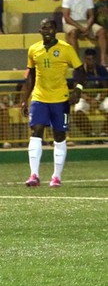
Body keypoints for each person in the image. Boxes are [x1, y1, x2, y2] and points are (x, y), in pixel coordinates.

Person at [20, 18, 85, 188]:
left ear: (55, 30)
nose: (46, 30)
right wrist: (24, 100)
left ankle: (56, 176)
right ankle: (34, 175)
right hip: (39, 98)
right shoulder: (34, 50)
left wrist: (77, 89)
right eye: (43, 28)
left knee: (59, 135)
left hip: (60, 99)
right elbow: (31, 77)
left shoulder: (66, 49)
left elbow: (80, 70)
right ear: (39, 31)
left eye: (49, 27)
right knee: (36, 130)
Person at [62, 0, 108, 67]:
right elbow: (66, 17)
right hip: (70, 22)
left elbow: (91, 16)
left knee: (101, 31)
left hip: (84, 22)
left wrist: (87, 27)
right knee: (73, 32)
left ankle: (103, 59)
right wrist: (81, 28)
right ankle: (76, 62)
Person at [71, 48, 108, 140]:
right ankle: (90, 134)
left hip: (99, 96)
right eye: (88, 59)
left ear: (95, 59)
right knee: (77, 113)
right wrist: (89, 99)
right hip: (84, 96)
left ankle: (104, 134)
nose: (90, 62)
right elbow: (77, 88)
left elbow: (106, 88)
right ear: (84, 59)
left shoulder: (101, 70)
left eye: (92, 59)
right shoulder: (79, 70)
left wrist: (98, 100)